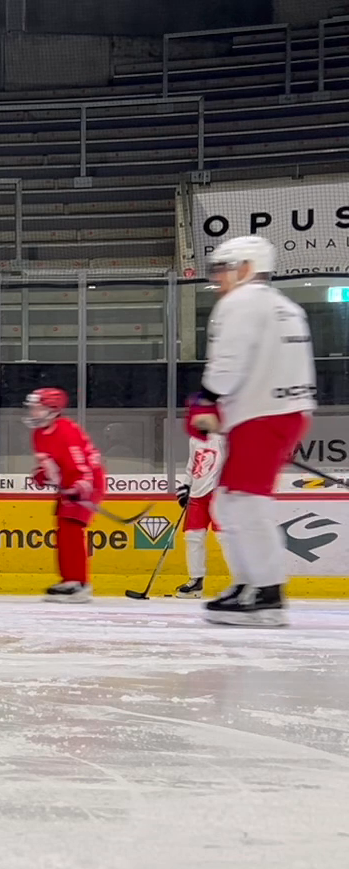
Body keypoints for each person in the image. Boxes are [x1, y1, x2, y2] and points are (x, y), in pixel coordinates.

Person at [191, 235, 317, 626]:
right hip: (280, 412)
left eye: (224, 270)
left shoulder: (241, 302)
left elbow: (229, 359)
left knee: (244, 501)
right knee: (231, 501)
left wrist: (207, 399)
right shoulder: (286, 306)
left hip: (261, 415)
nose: (219, 281)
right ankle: (249, 584)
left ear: (246, 267)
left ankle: (265, 591)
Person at [24, 387, 106, 603]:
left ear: (52, 409)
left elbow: (81, 464)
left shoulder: (66, 430)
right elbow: (50, 463)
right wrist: (42, 475)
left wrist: (81, 487)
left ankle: (78, 583)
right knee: (63, 530)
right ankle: (69, 579)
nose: (33, 411)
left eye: (37, 407)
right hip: (69, 485)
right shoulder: (39, 434)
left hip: (87, 483)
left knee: (71, 529)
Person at [173, 428, 225, 599]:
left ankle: (245, 581)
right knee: (192, 537)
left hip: (219, 494)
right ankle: (196, 581)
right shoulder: (195, 438)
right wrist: (186, 485)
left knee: (226, 538)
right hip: (197, 494)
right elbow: (193, 464)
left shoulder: (225, 436)